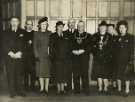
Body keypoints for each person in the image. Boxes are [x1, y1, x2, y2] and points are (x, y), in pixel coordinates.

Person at [3, 17, 26, 98]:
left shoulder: (23, 32)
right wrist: (10, 53)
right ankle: (12, 92)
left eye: (16, 21)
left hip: (19, 56)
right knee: (11, 74)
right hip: (9, 57)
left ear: (18, 22)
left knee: (19, 75)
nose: (14, 22)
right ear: (10, 22)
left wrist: (20, 52)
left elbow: (25, 44)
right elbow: (3, 44)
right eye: (12, 21)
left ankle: (20, 91)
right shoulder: (5, 32)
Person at [50, 21, 72, 95]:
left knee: (63, 74)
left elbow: (68, 47)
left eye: (62, 26)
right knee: (57, 74)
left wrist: (67, 56)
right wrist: (53, 57)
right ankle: (58, 89)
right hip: (56, 59)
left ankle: (62, 89)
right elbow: (51, 48)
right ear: (56, 27)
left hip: (64, 59)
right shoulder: (53, 35)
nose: (60, 28)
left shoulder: (65, 35)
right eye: (59, 26)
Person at [91, 21, 113, 95]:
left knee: (105, 74)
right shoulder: (94, 36)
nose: (102, 28)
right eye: (101, 27)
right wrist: (96, 50)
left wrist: (106, 53)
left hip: (106, 59)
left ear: (106, 28)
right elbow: (92, 47)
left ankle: (105, 88)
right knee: (99, 74)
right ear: (99, 28)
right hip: (97, 58)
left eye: (104, 27)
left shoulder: (110, 36)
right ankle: (100, 88)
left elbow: (111, 48)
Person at [71, 20, 92, 94]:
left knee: (84, 74)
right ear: (77, 27)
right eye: (79, 26)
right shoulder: (73, 35)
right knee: (76, 74)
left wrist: (82, 51)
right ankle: (77, 90)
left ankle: (86, 89)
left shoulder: (88, 36)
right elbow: (69, 46)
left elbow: (90, 46)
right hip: (75, 58)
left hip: (84, 58)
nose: (80, 27)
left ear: (84, 26)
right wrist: (73, 51)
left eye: (82, 26)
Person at [115, 20, 134, 97]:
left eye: (123, 27)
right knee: (118, 75)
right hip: (118, 59)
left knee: (127, 75)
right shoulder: (116, 38)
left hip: (127, 60)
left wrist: (131, 60)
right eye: (120, 28)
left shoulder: (131, 37)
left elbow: (132, 49)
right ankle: (119, 89)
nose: (121, 29)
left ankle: (127, 90)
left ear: (126, 28)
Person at [34, 17, 51, 95]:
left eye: (45, 24)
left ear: (47, 25)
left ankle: (46, 88)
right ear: (39, 25)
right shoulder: (36, 33)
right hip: (40, 56)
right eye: (42, 24)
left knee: (47, 73)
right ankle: (41, 88)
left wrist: (51, 54)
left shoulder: (50, 33)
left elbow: (52, 45)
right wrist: (36, 55)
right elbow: (34, 46)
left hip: (48, 56)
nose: (44, 25)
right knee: (40, 73)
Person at [64, 18, 77, 93]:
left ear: (74, 23)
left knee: (76, 72)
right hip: (67, 57)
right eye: (70, 22)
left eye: (73, 22)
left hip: (76, 57)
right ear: (68, 24)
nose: (71, 24)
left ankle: (76, 87)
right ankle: (68, 87)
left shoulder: (78, 32)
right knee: (68, 72)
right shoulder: (64, 33)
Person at [24, 20, 36, 91]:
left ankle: (32, 87)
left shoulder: (35, 33)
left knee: (33, 72)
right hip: (25, 56)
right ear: (25, 25)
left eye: (31, 24)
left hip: (33, 56)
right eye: (28, 24)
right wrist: (27, 43)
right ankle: (26, 87)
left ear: (32, 25)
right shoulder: (23, 33)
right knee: (25, 72)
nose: (29, 26)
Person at [107, 24, 118, 89]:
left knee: (115, 71)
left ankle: (114, 85)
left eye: (111, 29)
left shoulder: (117, 37)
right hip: (108, 57)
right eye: (108, 29)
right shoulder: (107, 37)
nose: (109, 30)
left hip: (115, 57)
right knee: (108, 71)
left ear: (114, 29)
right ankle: (108, 84)